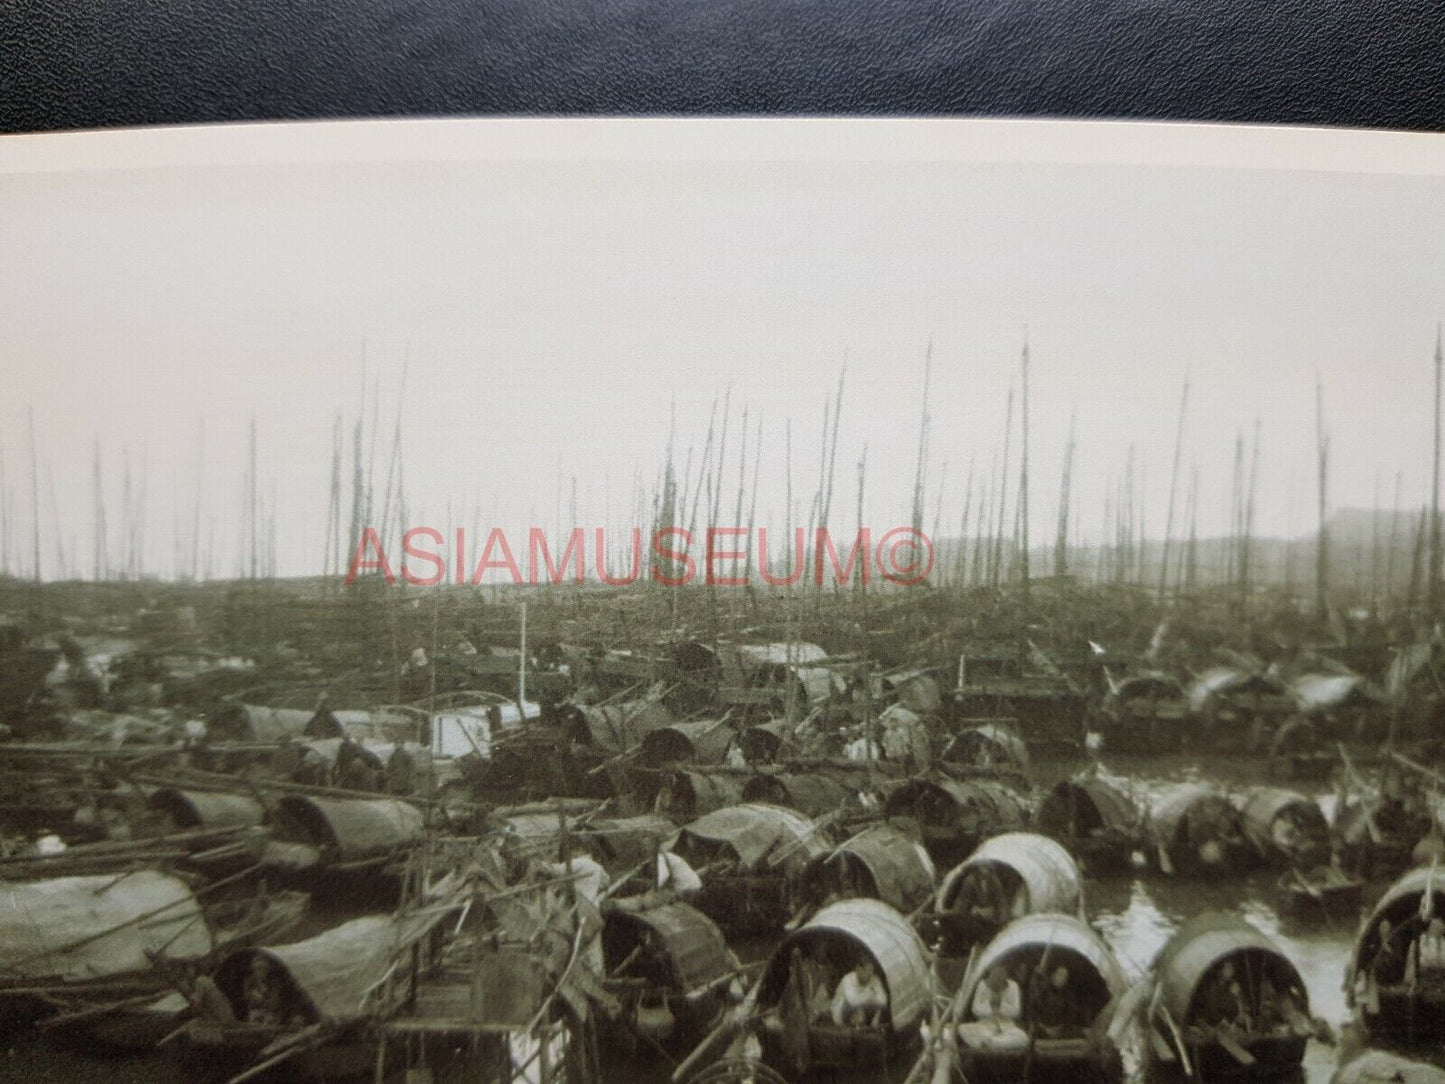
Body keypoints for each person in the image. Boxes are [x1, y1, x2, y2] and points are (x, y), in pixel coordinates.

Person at [1028, 964, 1081, 1037]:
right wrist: (1045, 1028)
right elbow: (1034, 1012)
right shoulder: (1042, 992)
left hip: (1061, 1030)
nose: (1062, 978)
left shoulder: (1068, 995)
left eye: (1065, 976)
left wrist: (1059, 1028)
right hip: (1043, 1029)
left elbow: (1071, 1015)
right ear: (1053, 976)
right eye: (1060, 975)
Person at [831, 959, 887, 1027]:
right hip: (841, 1014)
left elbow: (884, 1000)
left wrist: (867, 997)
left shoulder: (874, 979)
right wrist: (870, 993)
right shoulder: (848, 979)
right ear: (858, 969)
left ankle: (870, 1027)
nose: (870, 974)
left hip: (861, 1012)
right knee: (859, 1006)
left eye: (871, 970)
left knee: (879, 1008)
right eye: (867, 970)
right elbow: (853, 1002)